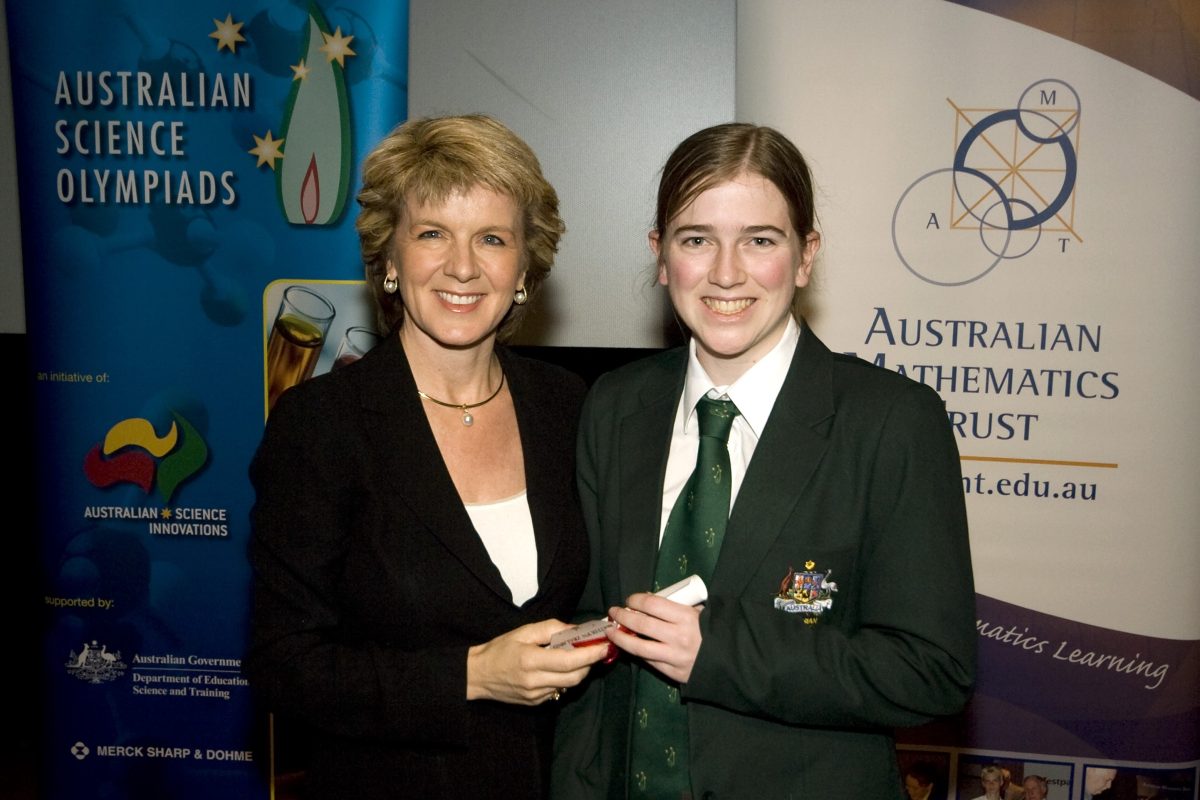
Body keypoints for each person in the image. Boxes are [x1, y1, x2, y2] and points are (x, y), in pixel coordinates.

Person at [552, 122, 976, 799]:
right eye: (697, 240)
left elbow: (930, 670)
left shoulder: (891, 420)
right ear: (662, 257)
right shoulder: (616, 406)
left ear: (806, 257)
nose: (726, 273)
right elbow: (589, 635)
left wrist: (717, 654)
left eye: (760, 240)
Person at [247, 115, 607, 799]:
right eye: (432, 233)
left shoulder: (568, 406)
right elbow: (283, 664)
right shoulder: (321, 425)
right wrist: (471, 674)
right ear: (388, 259)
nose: (463, 266)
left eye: (492, 238)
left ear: (525, 268)